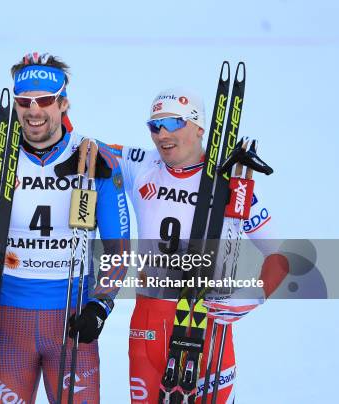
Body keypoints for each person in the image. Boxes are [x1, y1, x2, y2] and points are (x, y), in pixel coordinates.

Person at [0, 52, 130, 404]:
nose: (34, 111)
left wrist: (99, 306)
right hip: (7, 325)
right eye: (24, 101)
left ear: (63, 103)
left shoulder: (95, 160)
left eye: (45, 101)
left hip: (71, 323)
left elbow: (118, 250)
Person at [112, 88, 289, 403]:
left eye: (172, 123)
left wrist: (258, 293)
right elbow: (81, 147)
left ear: (198, 128)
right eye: (155, 125)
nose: (162, 133)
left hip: (207, 323)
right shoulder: (142, 164)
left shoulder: (232, 183)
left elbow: (279, 255)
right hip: (149, 324)